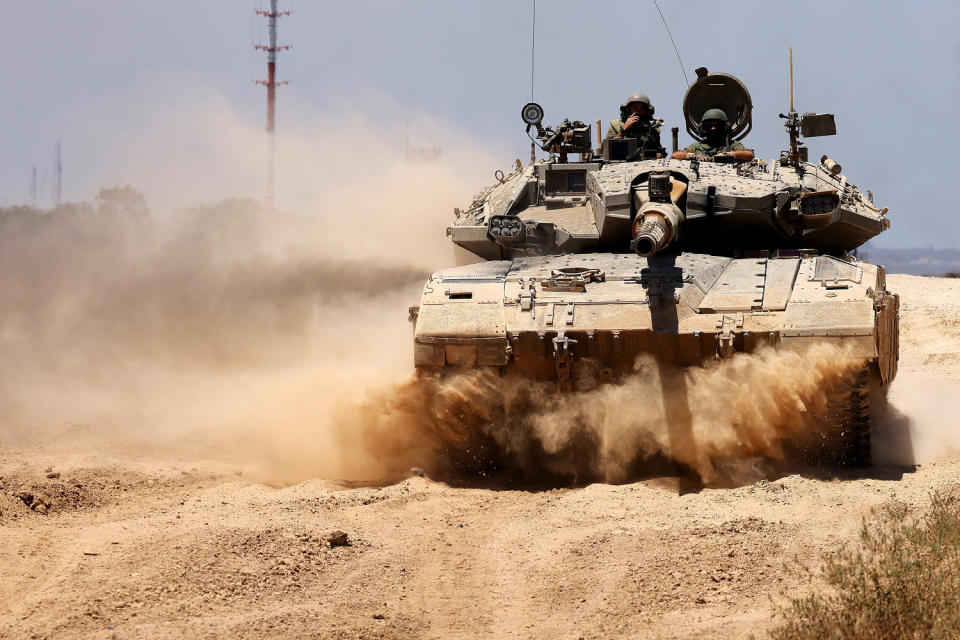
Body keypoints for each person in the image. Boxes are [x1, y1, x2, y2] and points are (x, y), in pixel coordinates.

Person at [671, 108, 754, 162]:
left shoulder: (732, 145)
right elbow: (675, 155)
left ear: (725, 127)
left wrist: (728, 154)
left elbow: (749, 155)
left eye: (717, 125)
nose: (713, 128)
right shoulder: (698, 146)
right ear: (704, 128)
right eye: (709, 126)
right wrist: (694, 156)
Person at [606, 93, 666, 159]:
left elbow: (659, 153)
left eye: (641, 108)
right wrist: (624, 129)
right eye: (634, 107)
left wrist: (647, 155)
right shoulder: (616, 126)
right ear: (628, 109)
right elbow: (608, 151)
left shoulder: (652, 131)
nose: (638, 111)